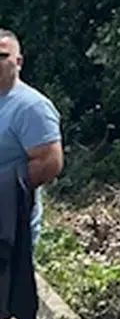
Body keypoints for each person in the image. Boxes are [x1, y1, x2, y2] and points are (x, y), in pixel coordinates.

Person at [0, 30, 63, 244]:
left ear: (18, 62)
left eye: (2, 56)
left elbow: (49, 162)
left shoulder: (31, 107)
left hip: (9, 233)